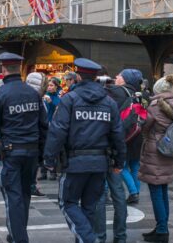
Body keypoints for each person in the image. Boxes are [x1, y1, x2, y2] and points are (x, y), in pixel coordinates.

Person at [44, 58, 126, 243]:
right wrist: (120, 161)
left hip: (75, 162)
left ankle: (89, 240)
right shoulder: (109, 102)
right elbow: (117, 134)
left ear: (78, 76)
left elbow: (58, 131)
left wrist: (49, 159)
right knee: (90, 206)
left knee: (68, 203)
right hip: (99, 163)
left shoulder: (70, 99)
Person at [0, 52, 48, 243]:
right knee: (24, 195)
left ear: (3, 70)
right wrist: (44, 154)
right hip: (32, 152)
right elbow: (44, 126)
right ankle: (16, 233)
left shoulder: (0, 94)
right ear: (19, 69)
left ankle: (19, 238)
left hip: (11, 152)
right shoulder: (33, 94)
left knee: (13, 198)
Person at [139, 74, 173, 243]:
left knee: (155, 190)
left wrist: (148, 136)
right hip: (170, 149)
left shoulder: (154, 106)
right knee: (163, 189)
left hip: (155, 149)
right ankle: (162, 227)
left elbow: (145, 127)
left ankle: (161, 230)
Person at [106, 68, 143, 206]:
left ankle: (133, 192)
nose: (116, 76)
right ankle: (136, 193)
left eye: (119, 75)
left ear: (126, 79)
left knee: (122, 166)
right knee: (135, 165)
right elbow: (144, 115)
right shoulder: (140, 94)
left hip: (124, 135)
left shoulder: (116, 92)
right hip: (137, 135)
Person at [25, 72, 49, 197]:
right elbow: (43, 125)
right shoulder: (38, 101)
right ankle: (32, 186)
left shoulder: (20, 97)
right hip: (34, 141)